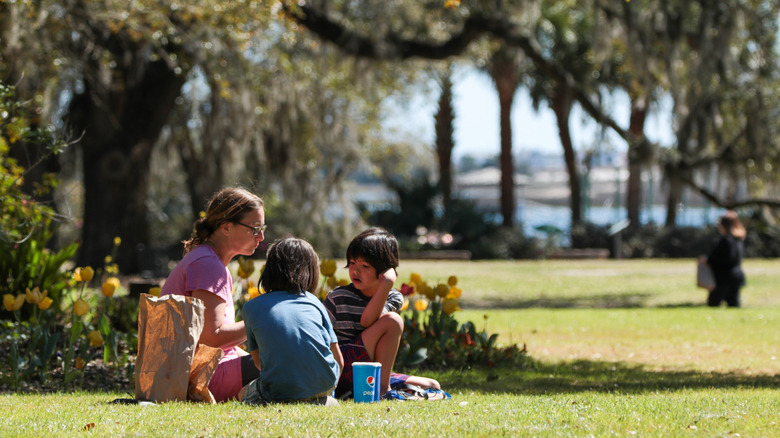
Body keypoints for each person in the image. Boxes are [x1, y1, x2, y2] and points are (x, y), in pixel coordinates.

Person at [160, 186, 265, 402]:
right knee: (292, 364)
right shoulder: (209, 265)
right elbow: (212, 338)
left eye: (262, 228)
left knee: (283, 361)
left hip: (195, 372)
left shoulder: (208, 260)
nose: (261, 236)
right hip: (201, 378)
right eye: (254, 229)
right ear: (226, 228)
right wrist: (262, 321)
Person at [324, 227, 441, 400]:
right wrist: (386, 282)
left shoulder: (393, 297)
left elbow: (369, 320)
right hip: (342, 367)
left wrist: (386, 285)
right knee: (393, 321)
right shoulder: (338, 297)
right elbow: (366, 322)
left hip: (369, 371)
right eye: (352, 263)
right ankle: (381, 391)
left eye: (365, 266)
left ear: (384, 270)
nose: (355, 270)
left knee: (432, 386)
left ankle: (371, 388)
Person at [240, 237, 343, 406]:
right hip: (323, 385)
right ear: (310, 273)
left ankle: (291, 399)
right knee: (317, 396)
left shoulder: (251, 307)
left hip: (278, 391)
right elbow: (338, 359)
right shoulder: (314, 302)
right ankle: (323, 401)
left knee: (243, 393)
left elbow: (260, 364)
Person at [702, 210, 746, 307]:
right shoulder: (738, 239)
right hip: (736, 277)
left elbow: (726, 259)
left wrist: (708, 260)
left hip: (724, 279)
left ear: (722, 226)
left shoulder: (726, 240)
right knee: (734, 305)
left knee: (713, 303)